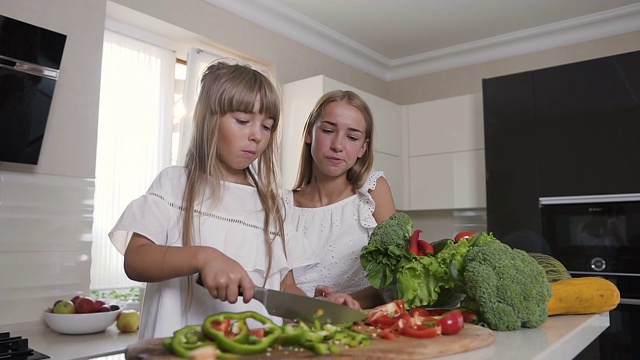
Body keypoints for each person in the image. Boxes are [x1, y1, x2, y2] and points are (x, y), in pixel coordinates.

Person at [109, 60, 357, 340]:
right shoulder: (175, 184)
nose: (256, 136)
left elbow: (285, 289)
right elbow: (136, 260)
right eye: (243, 121)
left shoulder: (273, 208)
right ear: (209, 119)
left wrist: (317, 309)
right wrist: (203, 257)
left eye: (267, 126)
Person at [283, 90, 397, 309]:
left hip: (364, 328)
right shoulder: (280, 205)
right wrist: (317, 306)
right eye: (327, 130)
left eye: (352, 137)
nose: (337, 145)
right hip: (301, 327)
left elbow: (394, 278)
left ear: (363, 148)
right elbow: (282, 286)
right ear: (308, 133)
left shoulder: (373, 190)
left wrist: (342, 304)